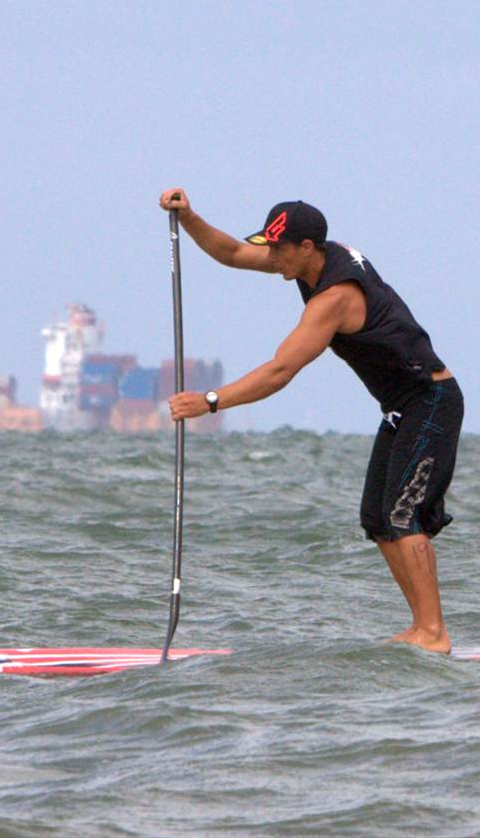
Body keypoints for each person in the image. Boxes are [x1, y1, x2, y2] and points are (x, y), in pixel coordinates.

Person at [160, 190, 463, 654]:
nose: (271, 257)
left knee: (404, 516)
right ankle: (422, 625)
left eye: (279, 249)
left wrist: (211, 401)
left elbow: (281, 371)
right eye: (271, 246)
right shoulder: (311, 257)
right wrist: (190, 217)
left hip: (431, 401)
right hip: (401, 406)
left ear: (306, 248)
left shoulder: (336, 297)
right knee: (378, 521)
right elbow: (234, 252)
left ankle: (435, 633)